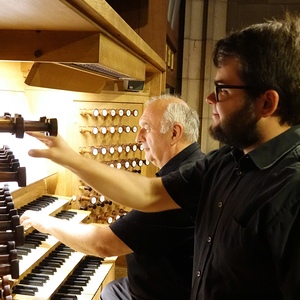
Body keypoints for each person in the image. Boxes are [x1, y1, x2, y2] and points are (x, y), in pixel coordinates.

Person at [21, 13, 300, 299]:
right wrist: (70, 158)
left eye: (223, 89)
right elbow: (149, 194)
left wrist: (44, 221)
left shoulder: (291, 191)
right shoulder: (227, 160)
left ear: (267, 103)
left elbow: (104, 244)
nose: (210, 99)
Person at [21, 95, 203, 300]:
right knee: (111, 289)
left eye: (146, 127)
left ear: (174, 133)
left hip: (165, 294)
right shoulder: (191, 168)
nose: (138, 137)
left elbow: (102, 244)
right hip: (157, 282)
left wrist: (45, 222)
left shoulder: (183, 185)